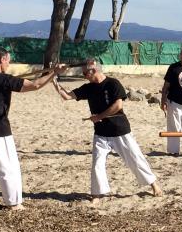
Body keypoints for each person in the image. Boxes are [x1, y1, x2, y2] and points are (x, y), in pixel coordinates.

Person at [0, 47, 63, 210]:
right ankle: (14, 203)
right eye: (8, 59)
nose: (9, 62)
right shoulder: (3, 80)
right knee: (7, 167)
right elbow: (35, 85)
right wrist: (54, 73)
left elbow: (3, 80)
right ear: (2, 60)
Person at [55, 58, 162, 204]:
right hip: (101, 132)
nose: (84, 75)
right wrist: (53, 78)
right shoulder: (88, 88)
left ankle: (153, 184)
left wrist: (99, 116)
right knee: (97, 162)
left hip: (119, 130)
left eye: (86, 73)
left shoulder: (113, 83)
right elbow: (66, 96)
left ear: (94, 70)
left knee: (135, 158)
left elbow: (117, 105)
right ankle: (97, 194)